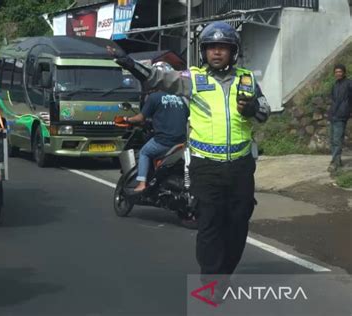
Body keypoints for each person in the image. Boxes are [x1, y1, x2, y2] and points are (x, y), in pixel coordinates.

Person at [110, 21, 270, 298]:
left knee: (238, 223)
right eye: (212, 48)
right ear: (204, 52)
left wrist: (255, 108)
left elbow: (264, 113)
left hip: (241, 166)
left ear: (233, 52)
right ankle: (211, 283)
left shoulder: (247, 80)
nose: (217, 53)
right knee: (209, 223)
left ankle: (223, 275)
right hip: (205, 166)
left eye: (223, 48)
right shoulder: (193, 79)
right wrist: (129, 64)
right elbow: (160, 79)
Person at [123, 61, 189, 192]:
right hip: (181, 141)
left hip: (164, 141)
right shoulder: (182, 98)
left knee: (144, 152)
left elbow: (140, 118)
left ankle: (142, 184)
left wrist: (127, 119)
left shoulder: (154, 97)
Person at [328, 64, 352, 172]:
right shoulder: (335, 85)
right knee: (333, 139)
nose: (338, 73)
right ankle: (337, 160)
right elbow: (333, 100)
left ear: (344, 72)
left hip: (342, 115)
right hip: (333, 115)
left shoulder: (349, 84)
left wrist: (347, 110)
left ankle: (335, 163)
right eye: (336, 72)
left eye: (340, 71)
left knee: (337, 139)